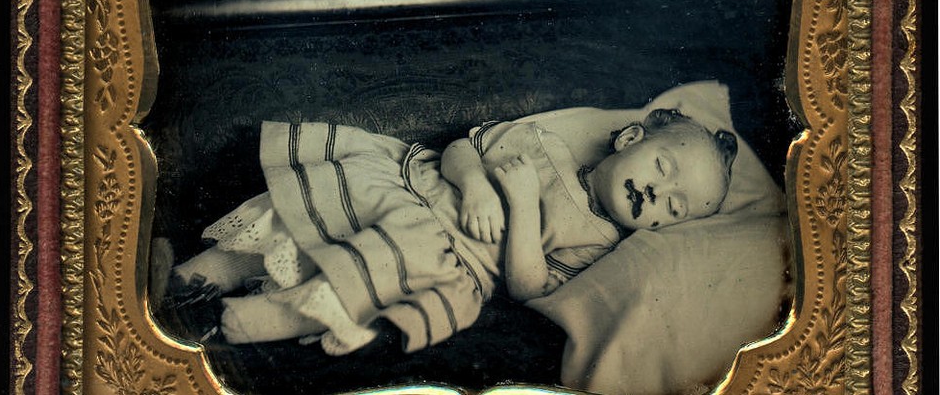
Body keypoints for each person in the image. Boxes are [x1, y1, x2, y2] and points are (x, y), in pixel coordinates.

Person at [151, 108, 738, 356]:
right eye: (663, 170)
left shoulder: (600, 242)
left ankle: (270, 316)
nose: (658, 195)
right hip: (418, 190)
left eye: (675, 209)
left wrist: (525, 206)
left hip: (450, 255)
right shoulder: (543, 144)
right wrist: (480, 186)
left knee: (382, 275)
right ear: (631, 139)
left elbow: (530, 287)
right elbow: (460, 149)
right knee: (303, 219)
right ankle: (196, 276)